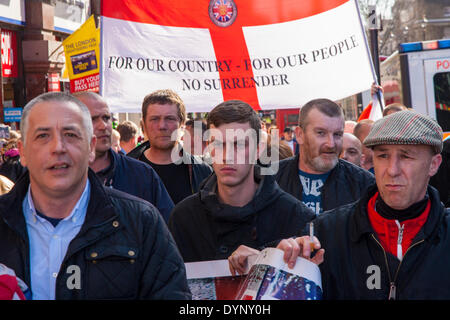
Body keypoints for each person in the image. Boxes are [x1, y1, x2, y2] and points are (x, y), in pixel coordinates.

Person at [230, 110, 450, 299]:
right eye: (383, 156)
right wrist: (263, 261)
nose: (392, 170)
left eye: (406, 157)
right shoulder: (326, 231)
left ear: (433, 164)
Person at [0, 92, 190, 300]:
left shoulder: (142, 221)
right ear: (23, 152)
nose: (58, 148)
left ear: (91, 147)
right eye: (43, 136)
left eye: (71, 135)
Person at [168, 100, 314, 262]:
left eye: (238, 144)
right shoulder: (184, 217)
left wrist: (264, 259)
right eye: (218, 144)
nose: (227, 155)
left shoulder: (295, 217)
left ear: (258, 149)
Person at [74, 92, 174, 223]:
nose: (103, 126)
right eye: (92, 119)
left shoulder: (142, 174)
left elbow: (167, 231)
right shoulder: (58, 176)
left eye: (106, 118)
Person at [275, 99, 374, 215]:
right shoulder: (270, 179)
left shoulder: (364, 184)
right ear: (299, 135)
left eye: (337, 134)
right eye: (321, 133)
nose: (331, 144)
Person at [128, 89, 212, 204]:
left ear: (182, 124)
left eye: (169, 118)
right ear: (143, 124)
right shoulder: (125, 170)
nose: (162, 126)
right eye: (155, 119)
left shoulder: (203, 171)